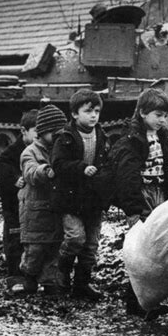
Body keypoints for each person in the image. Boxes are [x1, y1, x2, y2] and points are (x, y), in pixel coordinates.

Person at [109, 88, 168, 320]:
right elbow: (126, 176)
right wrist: (132, 209)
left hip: (159, 194)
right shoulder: (131, 140)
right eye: (158, 115)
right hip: (142, 196)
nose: (163, 120)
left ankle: (149, 300)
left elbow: (162, 161)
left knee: (157, 250)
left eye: (165, 116)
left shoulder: (162, 136)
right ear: (142, 112)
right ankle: (135, 302)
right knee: (142, 251)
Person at [51, 89, 109, 301]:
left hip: (93, 200)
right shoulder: (65, 137)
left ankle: (82, 285)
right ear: (74, 114)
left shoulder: (102, 135)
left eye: (96, 111)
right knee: (75, 238)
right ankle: (62, 273)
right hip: (70, 199)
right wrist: (81, 168)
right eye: (88, 111)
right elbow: (57, 164)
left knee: (91, 245)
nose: (93, 115)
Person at [18, 104, 65, 295]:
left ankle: (49, 281)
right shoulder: (30, 152)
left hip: (54, 207)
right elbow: (30, 172)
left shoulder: (60, 149)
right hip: (35, 211)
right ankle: (29, 277)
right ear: (43, 132)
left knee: (54, 247)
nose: (58, 137)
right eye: (54, 133)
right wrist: (46, 171)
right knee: (35, 250)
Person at [0, 109, 37, 293]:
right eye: (36, 131)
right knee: (15, 240)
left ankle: (32, 277)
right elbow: (4, 173)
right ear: (24, 131)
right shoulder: (10, 153)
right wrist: (15, 179)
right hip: (14, 205)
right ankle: (15, 277)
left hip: (34, 205)